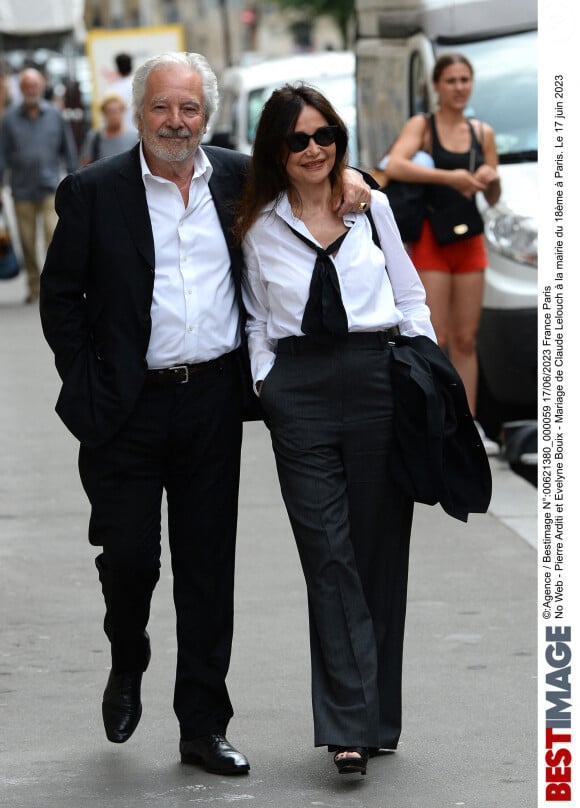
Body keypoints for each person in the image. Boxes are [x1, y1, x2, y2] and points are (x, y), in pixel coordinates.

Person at [39, 53, 371, 775]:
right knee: (129, 558)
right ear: (139, 110)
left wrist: (353, 177)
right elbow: (61, 298)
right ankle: (128, 657)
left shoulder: (242, 178)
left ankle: (202, 726)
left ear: (207, 116)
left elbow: (318, 175)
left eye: (189, 109)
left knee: (205, 569)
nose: (175, 122)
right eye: (162, 107)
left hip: (212, 402)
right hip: (124, 410)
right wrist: (88, 383)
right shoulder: (94, 191)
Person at [234, 83, 436, 777]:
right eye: (298, 140)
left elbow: (408, 294)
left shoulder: (370, 204)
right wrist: (268, 382)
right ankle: (348, 725)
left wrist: (425, 373)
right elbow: (258, 316)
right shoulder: (258, 224)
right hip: (301, 391)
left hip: (378, 377)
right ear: (276, 150)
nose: (314, 150)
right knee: (328, 553)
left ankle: (377, 719)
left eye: (325, 137)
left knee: (379, 553)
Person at [385, 53, 501, 454]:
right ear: (436, 85)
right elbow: (395, 164)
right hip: (433, 238)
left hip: (469, 239)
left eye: (465, 79)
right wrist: (448, 177)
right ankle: (439, 421)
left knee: (467, 339)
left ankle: (468, 425)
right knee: (437, 335)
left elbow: (493, 193)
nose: (459, 87)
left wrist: (490, 179)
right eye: (450, 80)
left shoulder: (481, 131)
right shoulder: (424, 126)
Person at [0, 67, 77, 303]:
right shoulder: (9, 119)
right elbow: (1, 154)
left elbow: (68, 148)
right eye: (27, 86)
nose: (31, 90)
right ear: (21, 89)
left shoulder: (54, 114)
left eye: (35, 85)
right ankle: (34, 287)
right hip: (21, 190)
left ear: (41, 87)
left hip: (50, 188)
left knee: (53, 238)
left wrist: (75, 178)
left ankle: (52, 286)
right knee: (27, 241)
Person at [79, 93, 138, 166]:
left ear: (123, 112)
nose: (114, 116)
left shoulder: (134, 137)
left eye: (117, 111)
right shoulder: (95, 137)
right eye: (110, 111)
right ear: (104, 113)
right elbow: (85, 164)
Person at [109, 52, 137, 134]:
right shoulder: (141, 84)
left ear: (117, 68)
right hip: (141, 133)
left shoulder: (113, 89)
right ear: (131, 65)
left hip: (122, 133)